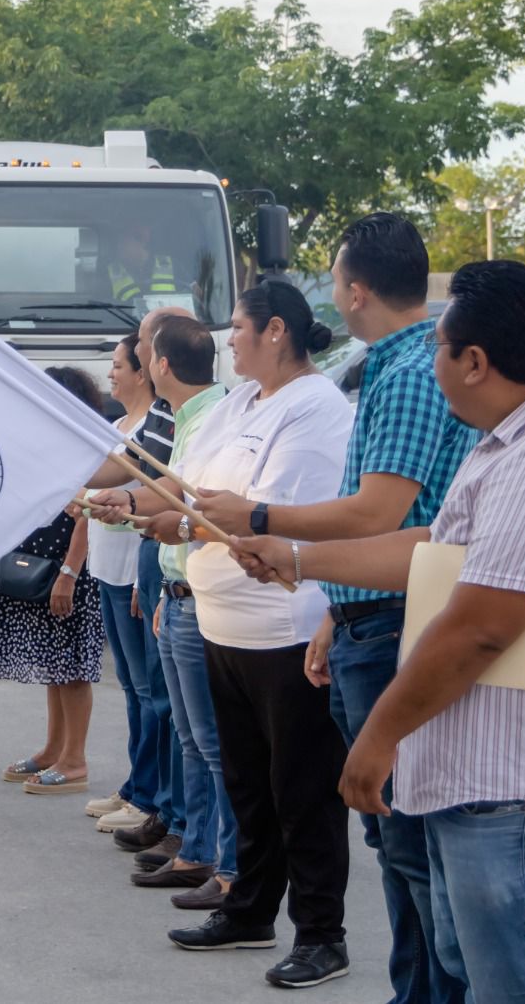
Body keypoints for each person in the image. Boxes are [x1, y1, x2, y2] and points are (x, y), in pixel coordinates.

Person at [235, 260, 525, 1002]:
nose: (430, 366)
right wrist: (299, 560)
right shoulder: (515, 441)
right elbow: (438, 550)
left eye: (439, 348)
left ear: (474, 362)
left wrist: (378, 738)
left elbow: (478, 629)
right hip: (495, 777)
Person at [195, 213, 475, 1003]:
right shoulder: (386, 369)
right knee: (396, 842)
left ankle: (420, 990)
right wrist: (332, 609)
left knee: (405, 840)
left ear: (354, 290)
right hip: (364, 615)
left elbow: (375, 515)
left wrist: (262, 524)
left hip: (392, 624)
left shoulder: (410, 373)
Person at [146, 280, 356, 990]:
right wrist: (138, 504)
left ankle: (323, 934)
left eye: (236, 327)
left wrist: (199, 516)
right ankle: (251, 908)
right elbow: (186, 489)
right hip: (220, 623)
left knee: (302, 791)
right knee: (247, 783)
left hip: (284, 630)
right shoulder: (238, 403)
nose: (227, 339)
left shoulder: (315, 408)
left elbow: (273, 512)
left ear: (274, 331)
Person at [131, 317, 236, 910]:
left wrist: (126, 500)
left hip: (200, 598)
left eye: (147, 349)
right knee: (191, 738)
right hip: (177, 591)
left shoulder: (213, 417)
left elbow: (186, 502)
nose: (141, 358)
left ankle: (227, 862)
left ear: (162, 365)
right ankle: (197, 849)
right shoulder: (187, 417)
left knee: (213, 743)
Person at [82, 307, 188, 857]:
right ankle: (149, 795)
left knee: (162, 700)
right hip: (136, 568)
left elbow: (148, 488)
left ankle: (162, 805)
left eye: (142, 345)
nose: (130, 359)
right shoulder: (153, 419)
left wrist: (118, 500)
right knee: (140, 689)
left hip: (149, 566)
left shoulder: (174, 418)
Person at [0, 367, 107, 795]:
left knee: (72, 667)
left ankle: (75, 761)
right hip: (43, 556)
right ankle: (54, 748)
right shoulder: (48, 441)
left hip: (69, 566)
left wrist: (70, 572)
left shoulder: (86, 444)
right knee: (55, 665)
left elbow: (87, 516)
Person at [80, 336, 157, 831]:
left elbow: (140, 494)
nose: (110, 374)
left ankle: (149, 796)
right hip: (106, 568)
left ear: (142, 372)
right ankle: (136, 785)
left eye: (116, 365)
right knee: (130, 687)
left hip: (134, 570)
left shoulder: (153, 431)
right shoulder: (115, 426)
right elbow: (93, 485)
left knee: (150, 692)